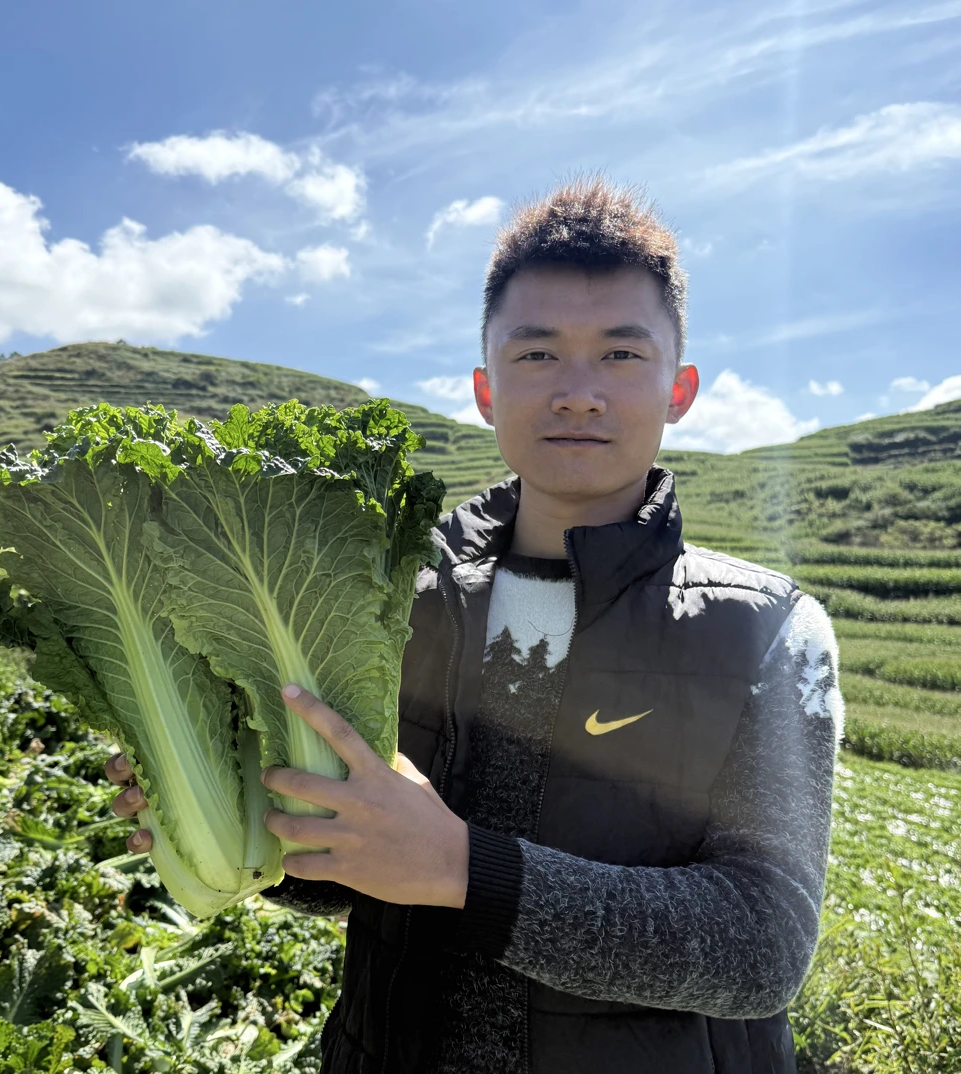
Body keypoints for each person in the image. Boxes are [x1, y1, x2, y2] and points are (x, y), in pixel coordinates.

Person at [105, 176, 844, 1074]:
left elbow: (761, 949)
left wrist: (465, 869)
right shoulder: (394, 603)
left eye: (619, 355)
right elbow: (370, 875)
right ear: (485, 389)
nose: (577, 392)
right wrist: (253, 825)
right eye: (536, 356)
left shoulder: (767, 632)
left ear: (679, 388)